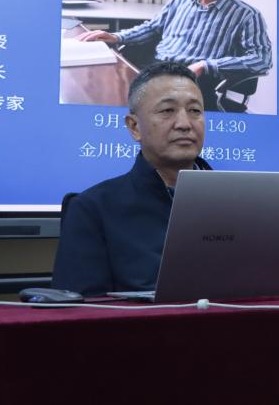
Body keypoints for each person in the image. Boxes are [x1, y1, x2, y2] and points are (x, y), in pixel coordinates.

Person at [52, 62, 212, 295]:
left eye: (195, 111)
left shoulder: (238, 204)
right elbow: (82, 310)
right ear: (134, 127)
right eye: (167, 111)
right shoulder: (92, 209)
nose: (184, 124)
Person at [79, 0, 272, 111]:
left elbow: (262, 59)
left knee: (139, 109)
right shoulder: (178, 2)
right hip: (155, 68)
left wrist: (206, 65)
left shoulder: (247, 15)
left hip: (195, 79)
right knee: (97, 88)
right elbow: (152, 28)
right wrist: (116, 36)